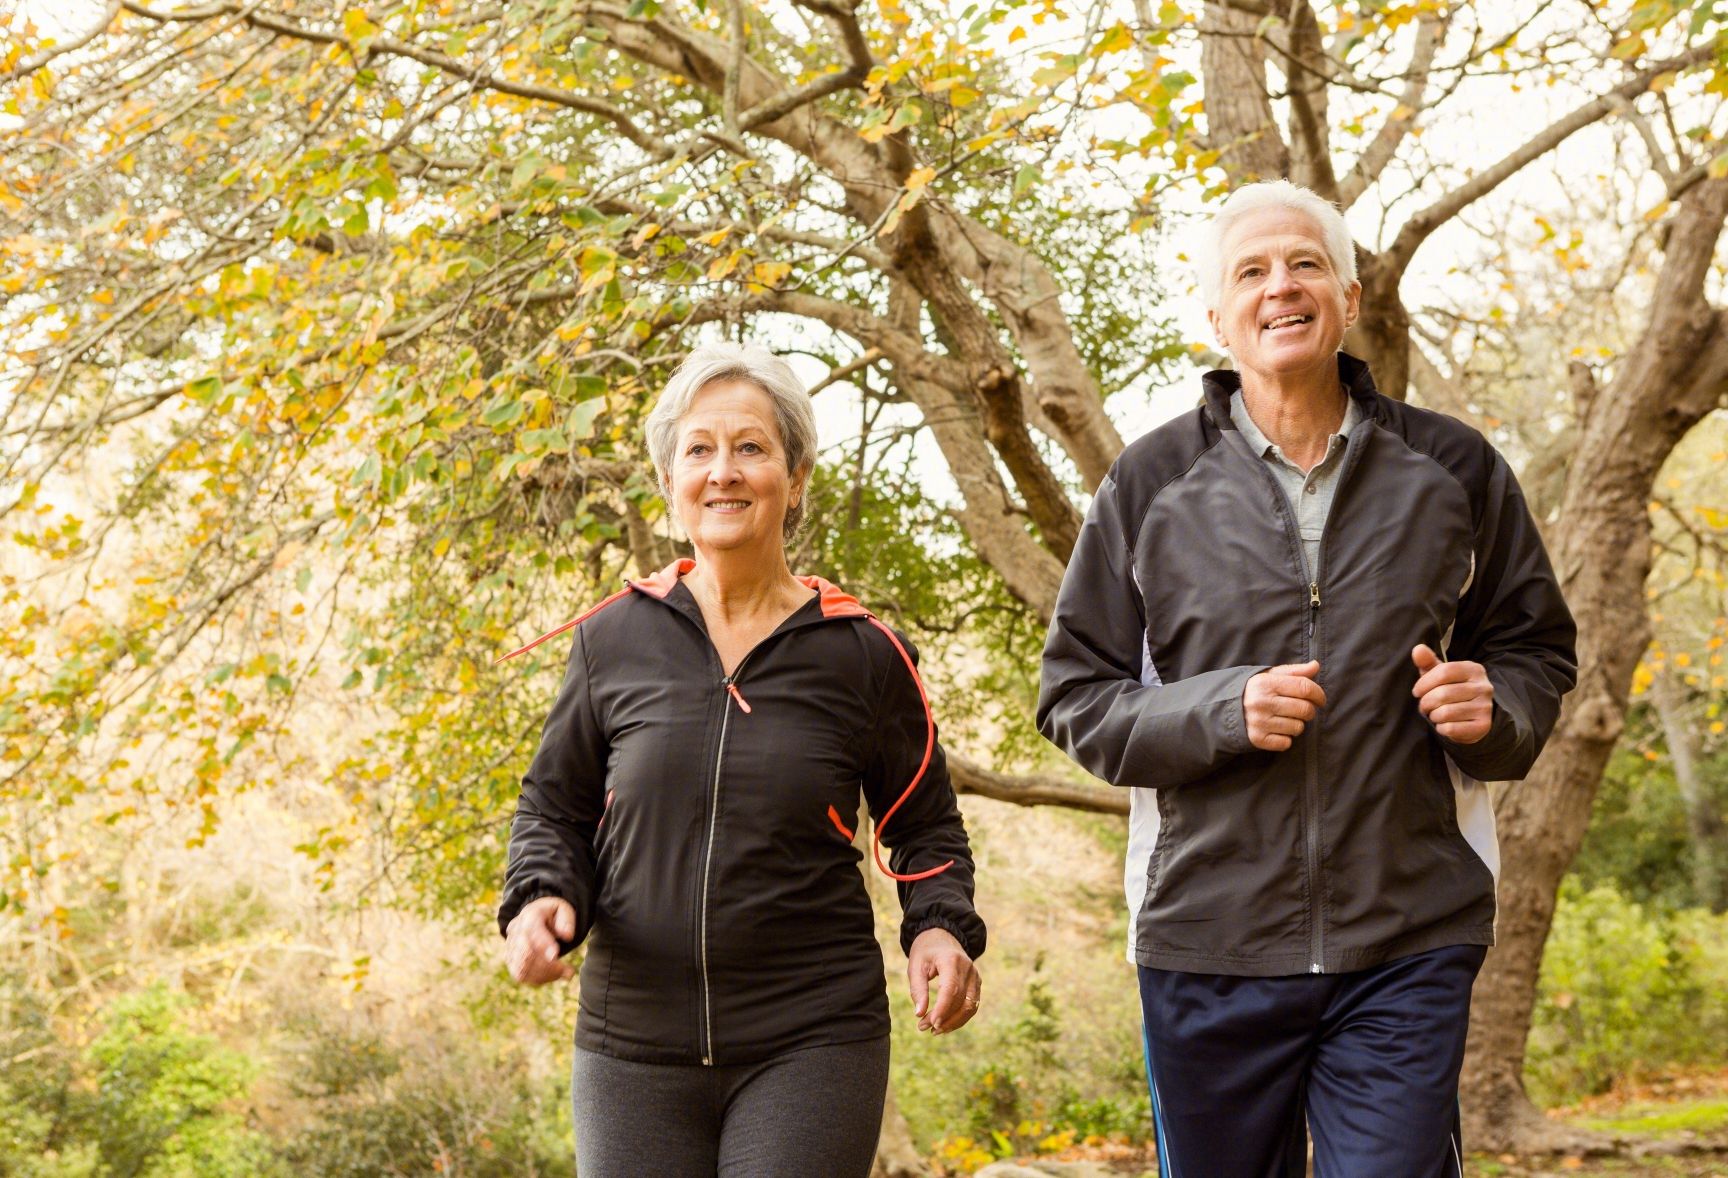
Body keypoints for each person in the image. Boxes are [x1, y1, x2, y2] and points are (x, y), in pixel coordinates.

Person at [1037, 180, 1577, 1178]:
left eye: (1304, 263)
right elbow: (1074, 695)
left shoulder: (1453, 468)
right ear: (1215, 316)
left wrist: (1491, 710)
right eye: (1250, 272)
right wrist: (1220, 710)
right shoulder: (1150, 483)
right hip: (1208, 941)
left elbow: (1537, 652)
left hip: (1406, 935)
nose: (1279, 287)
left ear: (1350, 296)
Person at [495, 342, 986, 1178]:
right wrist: (539, 898)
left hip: (813, 1040)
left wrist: (939, 924)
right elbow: (553, 809)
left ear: (795, 481)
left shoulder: (864, 653)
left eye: (751, 447)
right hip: (632, 1044)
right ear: (670, 483)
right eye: (700, 449)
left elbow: (925, 828)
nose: (723, 472)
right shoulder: (613, 638)